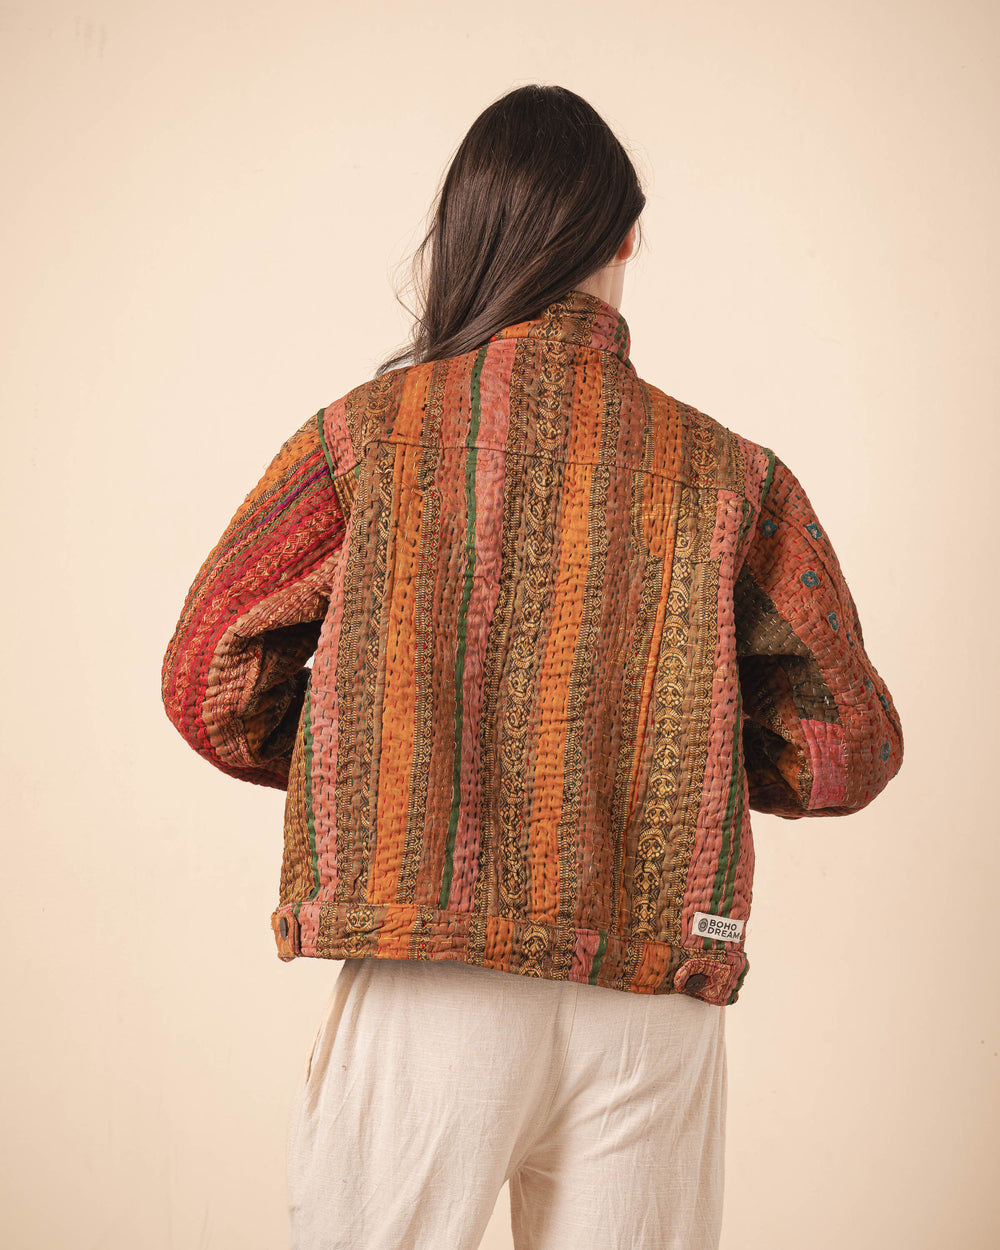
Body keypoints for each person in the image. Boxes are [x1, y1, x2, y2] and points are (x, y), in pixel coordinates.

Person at [160, 84, 904, 1250]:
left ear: (467, 240)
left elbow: (209, 671)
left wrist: (372, 756)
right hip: (652, 991)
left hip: (428, 966)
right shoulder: (733, 476)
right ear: (626, 237)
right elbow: (845, 746)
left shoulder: (365, 437)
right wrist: (685, 747)